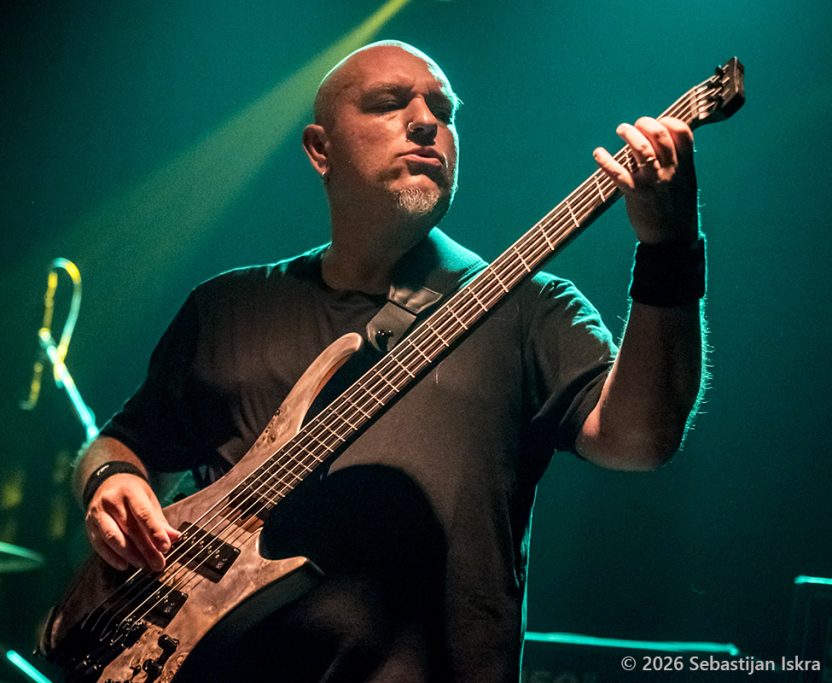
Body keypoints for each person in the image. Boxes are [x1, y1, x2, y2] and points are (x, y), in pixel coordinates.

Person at [71, 41, 704, 681]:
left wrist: (669, 249)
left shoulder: (528, 309)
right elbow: (121, 445)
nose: (426, 122)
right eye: (388, 103)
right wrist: (110, 481)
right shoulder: (228, 307)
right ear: (320, 149)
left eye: (444, 112)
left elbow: (641, 440)